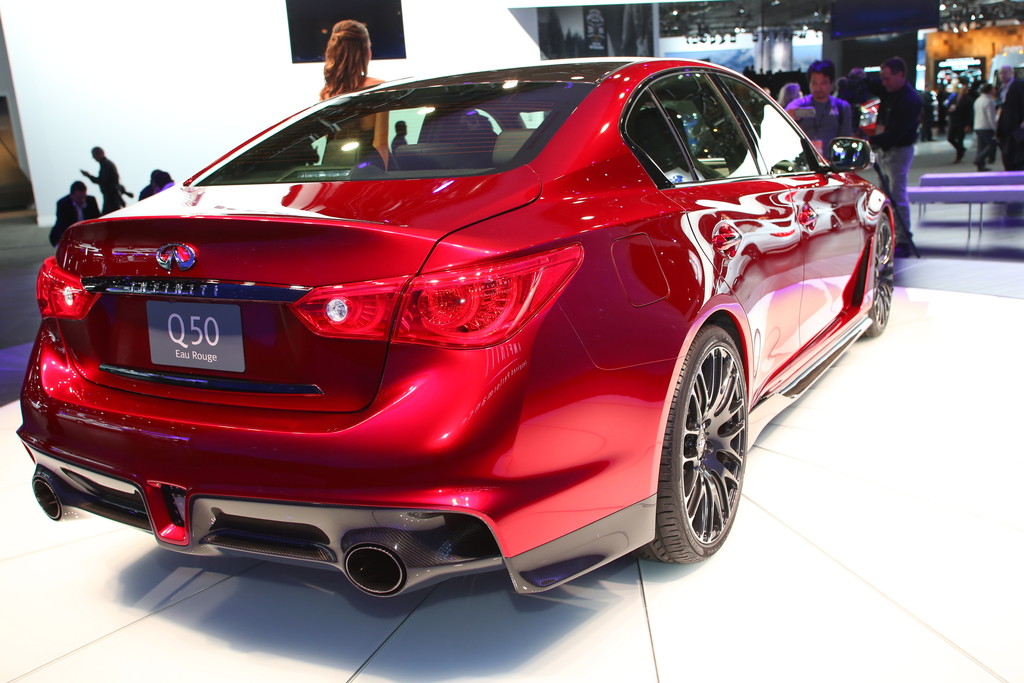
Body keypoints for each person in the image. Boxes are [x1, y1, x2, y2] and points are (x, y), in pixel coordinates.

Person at [868, 56, 922, 256]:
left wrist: (873, 140)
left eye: (887, 78)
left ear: (900, 75)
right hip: (887, 150)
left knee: (897, 194)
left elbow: (897, 134)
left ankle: (904, 239)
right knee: (885, 195)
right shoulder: (891, 92)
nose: (884, 82)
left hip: (899, 150)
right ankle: (889, 235)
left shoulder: (910, 100)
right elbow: (875, 85)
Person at [319, 19, 389, 168]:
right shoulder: (377, 87)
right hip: (367, 167)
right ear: (365, 52)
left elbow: (326, 137)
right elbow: (380, 143)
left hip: (332, 166)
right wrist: (386, 173)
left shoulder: (326, 93)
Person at [785, 59, 853, 153]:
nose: (818, 88)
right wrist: (788, 114)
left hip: (831, 159)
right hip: (803, 158)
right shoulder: (797, 105)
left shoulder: (842, 107)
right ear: (809, 83)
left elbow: (845, 140)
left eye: (823, 83)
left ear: (831, 83)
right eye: (814, 83)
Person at [80, 147, 130, 215]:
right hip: (111, 196)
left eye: (95, 155)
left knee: (110, 215)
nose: (94, 157)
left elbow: (102, 181)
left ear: (101, 153)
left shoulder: (106, 165)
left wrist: (89, 176)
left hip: (111, 197)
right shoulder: (106, 164)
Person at [49, 180, 99, 247]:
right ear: (71, 196)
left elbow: (96, 219)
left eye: (84, 197)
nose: (82, 200)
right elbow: (63, 224)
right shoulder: (63, 204)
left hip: (87, 232)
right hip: (70, 231)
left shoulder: (91, 200)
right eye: (79, 198)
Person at [997, 74, 1024, 171]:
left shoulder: (1018, 85)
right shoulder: (1003, 88)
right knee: (1008, 148)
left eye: (1004, 73)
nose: (1002, 75)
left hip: (1015, 124)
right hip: (1007, 125)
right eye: (1001, 73)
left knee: (1015, 147)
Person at [944, 80, 974, 163]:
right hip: (953, 121)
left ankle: (959, 156)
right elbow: (947, 107)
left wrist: (968, 124)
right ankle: (961, 149)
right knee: (950, 138)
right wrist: (949, 110)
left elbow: (970, 113)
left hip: (962, 122)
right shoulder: (954, 98)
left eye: (965, 90)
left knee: (960, 139)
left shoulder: (968, 100)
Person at [973, 83, 998, 171]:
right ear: (990, 90)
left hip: (978, 125)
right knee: (991, 145)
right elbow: (991, 117)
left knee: (981, 146)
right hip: (986, 126)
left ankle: (981, 165)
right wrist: (995, 128)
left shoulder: (978, 100)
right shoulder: (989, 101)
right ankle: (979, 159)